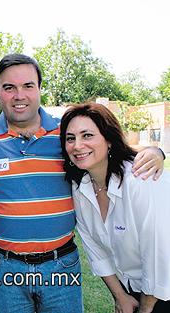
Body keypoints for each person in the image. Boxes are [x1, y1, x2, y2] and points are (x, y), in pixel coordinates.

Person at [0, 53, 164, 313]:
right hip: (5, 268)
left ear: (39, 88)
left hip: (61, 266)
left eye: (28, 86)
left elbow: (114, 148)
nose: (19, 95)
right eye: (9, 88)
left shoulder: (68, 135)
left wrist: (155, 151)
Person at [60, 103, 170, 313]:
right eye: (70, 138)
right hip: (132, 290)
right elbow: (95, 250)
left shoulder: (140, 181)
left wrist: (146, 309)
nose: (77, 145)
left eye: (87, 135)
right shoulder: (81, 187)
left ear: (109, 139)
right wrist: (120, 296)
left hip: (162, 292)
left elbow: (158, 254)